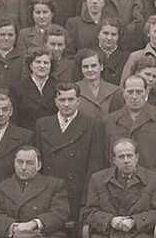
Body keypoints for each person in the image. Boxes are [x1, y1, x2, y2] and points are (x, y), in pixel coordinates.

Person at [32, 82, 106, 224]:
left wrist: (87, 198)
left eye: (70, 100)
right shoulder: (42, 125)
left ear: (78, 101)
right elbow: (37, 164)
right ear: (55, 102)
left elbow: (95, 166)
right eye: (62, 100)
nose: (66, 104)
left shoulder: (93, 126)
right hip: (50, 192)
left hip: (77, 192)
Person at [103, 75, 156, 178]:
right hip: (119, 186)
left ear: (146, 92)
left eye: (139, 92)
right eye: (130, 92)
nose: (135, 96)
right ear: (123, 93)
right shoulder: (108, 122)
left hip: (154, 186)